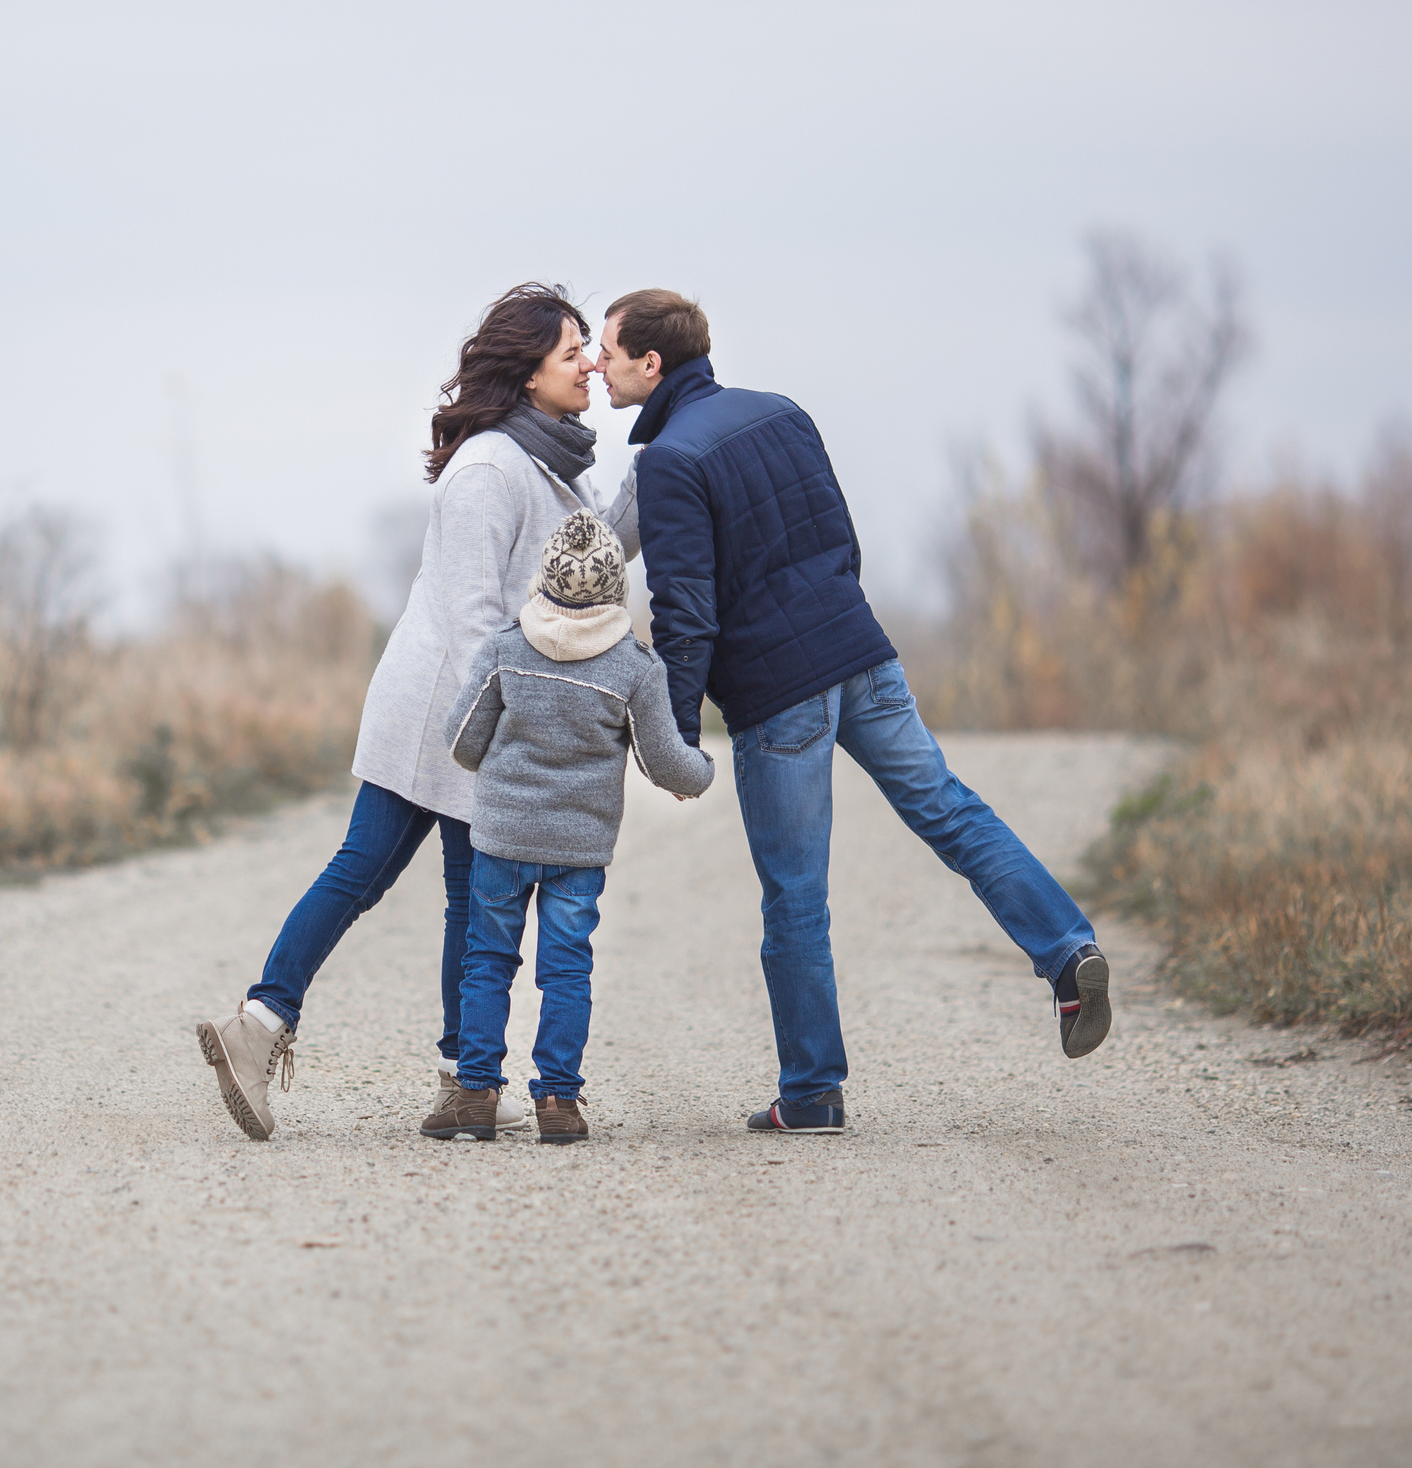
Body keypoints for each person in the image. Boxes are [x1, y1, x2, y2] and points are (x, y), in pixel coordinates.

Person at [593, 288, 1110, 1135]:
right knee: (951, 811)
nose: (598, 366)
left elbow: (684, 611)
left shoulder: (669, 461)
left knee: (795, 895)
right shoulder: (783, 412)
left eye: (609, 352)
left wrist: (676, 741)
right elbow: (843, 538)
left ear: (652, 363)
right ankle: (1067, 950)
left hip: (778, 695)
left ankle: (812, 1091)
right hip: (863, 654)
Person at [197, 283, 638, 1140]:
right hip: (447, 711)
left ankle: (442, 1072)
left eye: (589, 349)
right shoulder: (489, 469)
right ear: (527, 372)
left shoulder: (549, 464)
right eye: (571, 352)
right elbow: (477, 618)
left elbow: (589, 561)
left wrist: (661, 466)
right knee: (379, 875)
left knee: (449, 893)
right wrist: (506, 728)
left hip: (472, 710)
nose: (589, 364)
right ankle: (281, 1029)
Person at [423, 511, 714, 1146]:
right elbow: (664, 762)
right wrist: (701, 773)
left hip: (502, 842)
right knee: (566, 970)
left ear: (546, 580)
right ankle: (557, 1100)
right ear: (615, 589)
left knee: (487, 961)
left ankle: (475, 1094)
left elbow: (462, 740)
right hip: (578, 851)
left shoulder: (505, 648)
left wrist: (503, 759)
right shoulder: (634, 667)